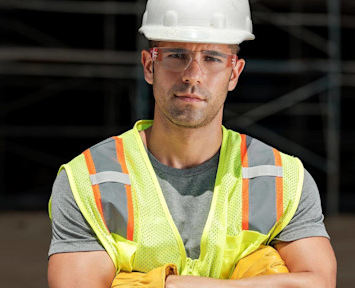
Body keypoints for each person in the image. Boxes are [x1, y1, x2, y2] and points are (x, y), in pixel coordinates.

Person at [46, 0, 337, 287]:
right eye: (176, 55)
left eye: (212, 58)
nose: (192, 75)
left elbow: (319, 282)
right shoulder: (89, 181)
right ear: (150, 66)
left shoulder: (281, 179)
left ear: (234, 73)